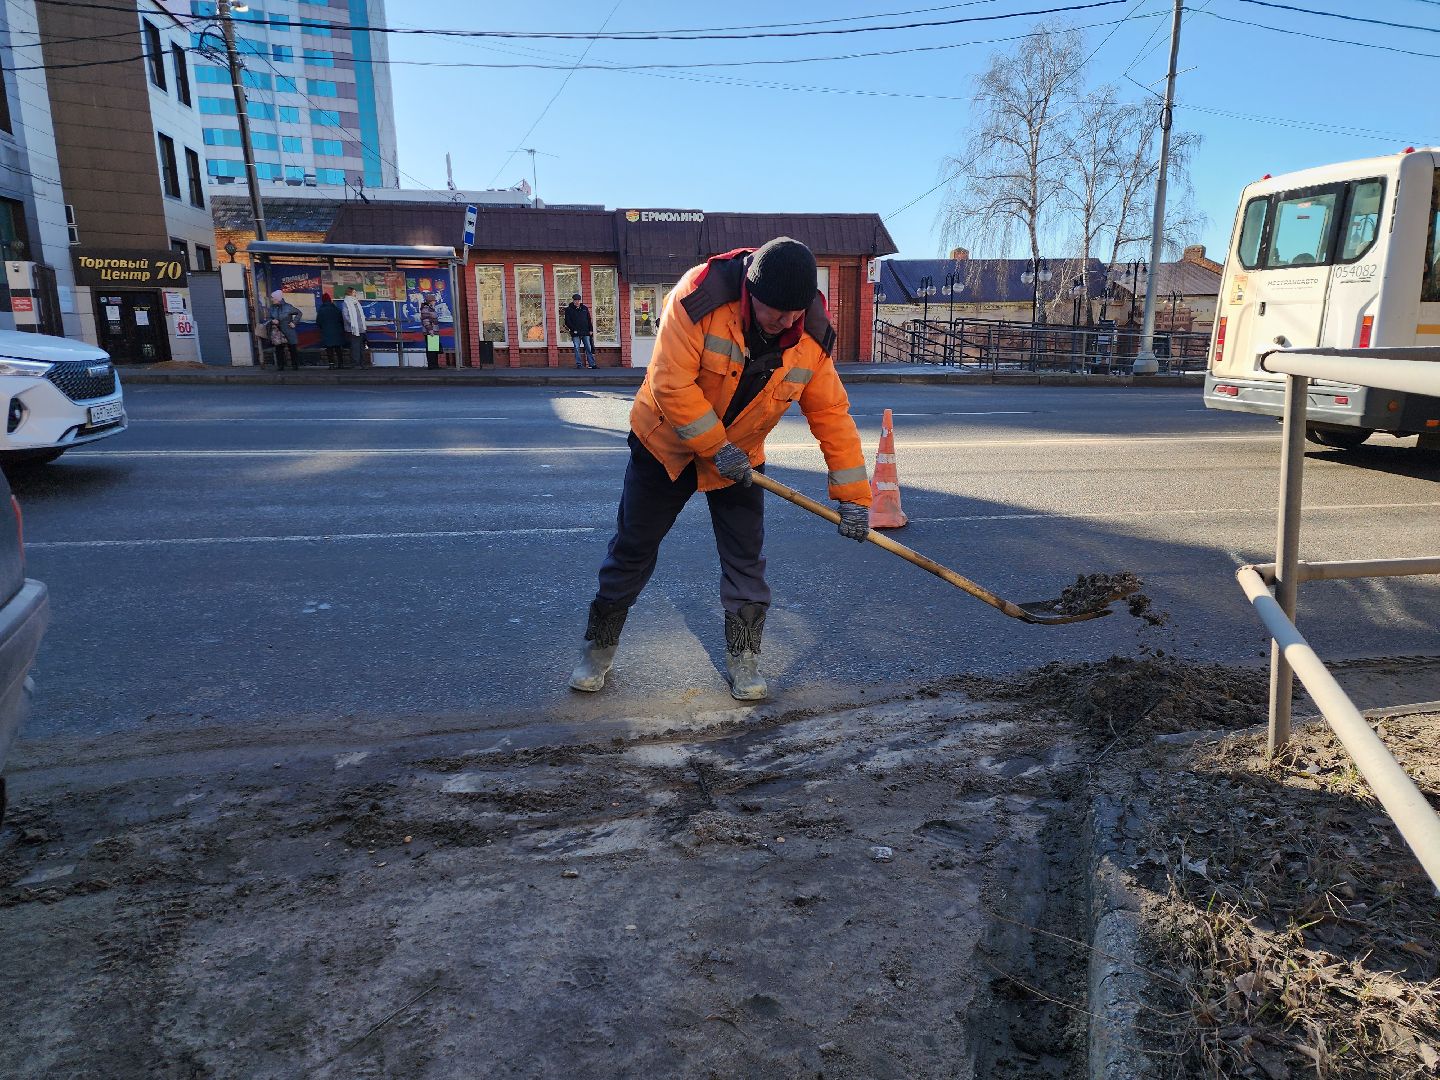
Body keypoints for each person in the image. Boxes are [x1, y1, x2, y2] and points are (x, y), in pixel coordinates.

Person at [569, 237, 870, 702]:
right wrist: (715, 446)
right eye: (776, 312)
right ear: (751, 293)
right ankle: (598, 646)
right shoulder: (700, 295)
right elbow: (670, 381)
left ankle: (745, 657)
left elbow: (831, 414)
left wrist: (853, 498)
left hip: (741, 457)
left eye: (794, 313)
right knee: (633, 546)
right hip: (665, 445)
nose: (785, 323)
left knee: (745, 557)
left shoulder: (811, 335)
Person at [264, 290, 301, 370]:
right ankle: (281, 366)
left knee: (292, 348)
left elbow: (299, 313)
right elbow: (268, 318)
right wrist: (272, 321)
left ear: (278, 298)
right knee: (279, 349)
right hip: (277, 331)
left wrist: (294, 323)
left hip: (288, 330)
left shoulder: (288, 307)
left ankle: (295, 365)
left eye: (273, 298)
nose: (271, 299)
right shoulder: (272, 308)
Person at [564, 292, 596, 369]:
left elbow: (588, 319)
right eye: (575, 300)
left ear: (580, 301)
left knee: (588, 347)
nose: (577, 302)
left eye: (578, 300)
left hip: (585, 332)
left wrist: (591, 329)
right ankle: (579, 364)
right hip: (575, 333)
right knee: (577, 348)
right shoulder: (568, 309)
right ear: (573, 301)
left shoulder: (584, 308)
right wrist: (573, 329)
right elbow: (567, 321)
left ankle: (592, 364)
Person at [316, 292, 346, 369]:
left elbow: (318, 322)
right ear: (330, 300)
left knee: (329, 349)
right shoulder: (336, 309)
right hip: (337, 332)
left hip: (327, 332)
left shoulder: (321, 310)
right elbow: (342, 320)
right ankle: (341, 364)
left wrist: (323, 328)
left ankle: (331, 364)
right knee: (338, 349)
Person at [342, 287, 368, 368]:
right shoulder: (346, 302)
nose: (355, 294)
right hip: (353, 329)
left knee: (361, 347)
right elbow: (345, 316)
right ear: (349, 293)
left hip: (361, 329)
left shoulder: (356, 302)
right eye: (354, 292)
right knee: (355, 347)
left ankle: (362, 363)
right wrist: (352, 324)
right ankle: (356, 363)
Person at [419, 293, 441, 369]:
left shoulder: (430, 308)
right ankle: (432, 365)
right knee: (431, 349)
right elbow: (426, 321)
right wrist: (430, 330)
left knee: (434, 348)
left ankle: (435, 365)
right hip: (430, 331)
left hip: (433, 331)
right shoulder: (426, 309)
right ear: (430, 301)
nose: (435, 302)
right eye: (433, 300)